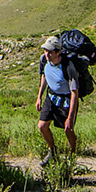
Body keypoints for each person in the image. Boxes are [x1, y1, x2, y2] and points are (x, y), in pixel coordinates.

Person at [36, 36, 80, 164]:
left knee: (68, 129)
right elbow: (44, 76)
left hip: (66, 100)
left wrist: (70, 117)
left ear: (58, 52)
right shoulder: (44, 60)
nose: (47, 54)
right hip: (51, 97)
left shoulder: (68, 66)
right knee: (42, 126)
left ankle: (72, 157)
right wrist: (39, 96)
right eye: (45, 51)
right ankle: (52, 151)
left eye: (50, 51)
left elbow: (74, 92)